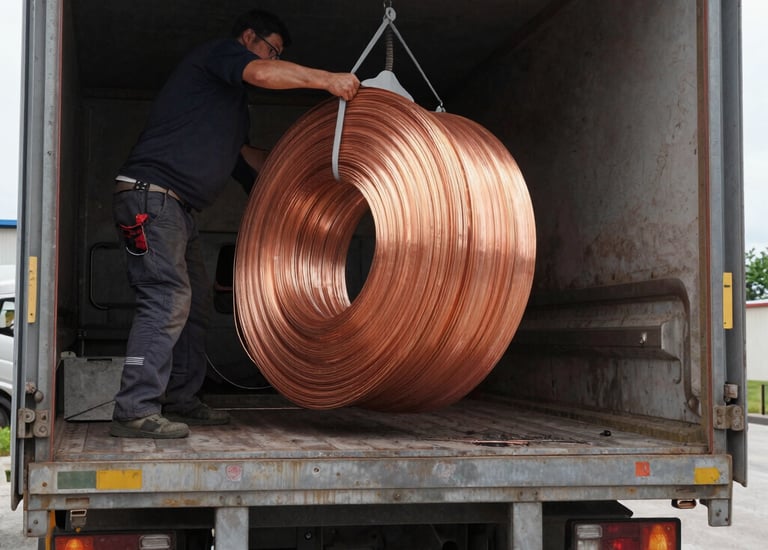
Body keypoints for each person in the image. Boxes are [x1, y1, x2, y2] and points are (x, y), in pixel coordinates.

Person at [110, 9, 360, 439]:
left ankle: (181, 399)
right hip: (150, 197)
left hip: (178, 210)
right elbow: (262, 73)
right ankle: (134, 408)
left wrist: (313, 169)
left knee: (195, 307)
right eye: (273, 50)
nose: (275, 60)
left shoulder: (232, 109)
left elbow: (251, 164)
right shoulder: (218, 56)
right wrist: (326, 80)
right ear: (249, 37)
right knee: (167, 298)